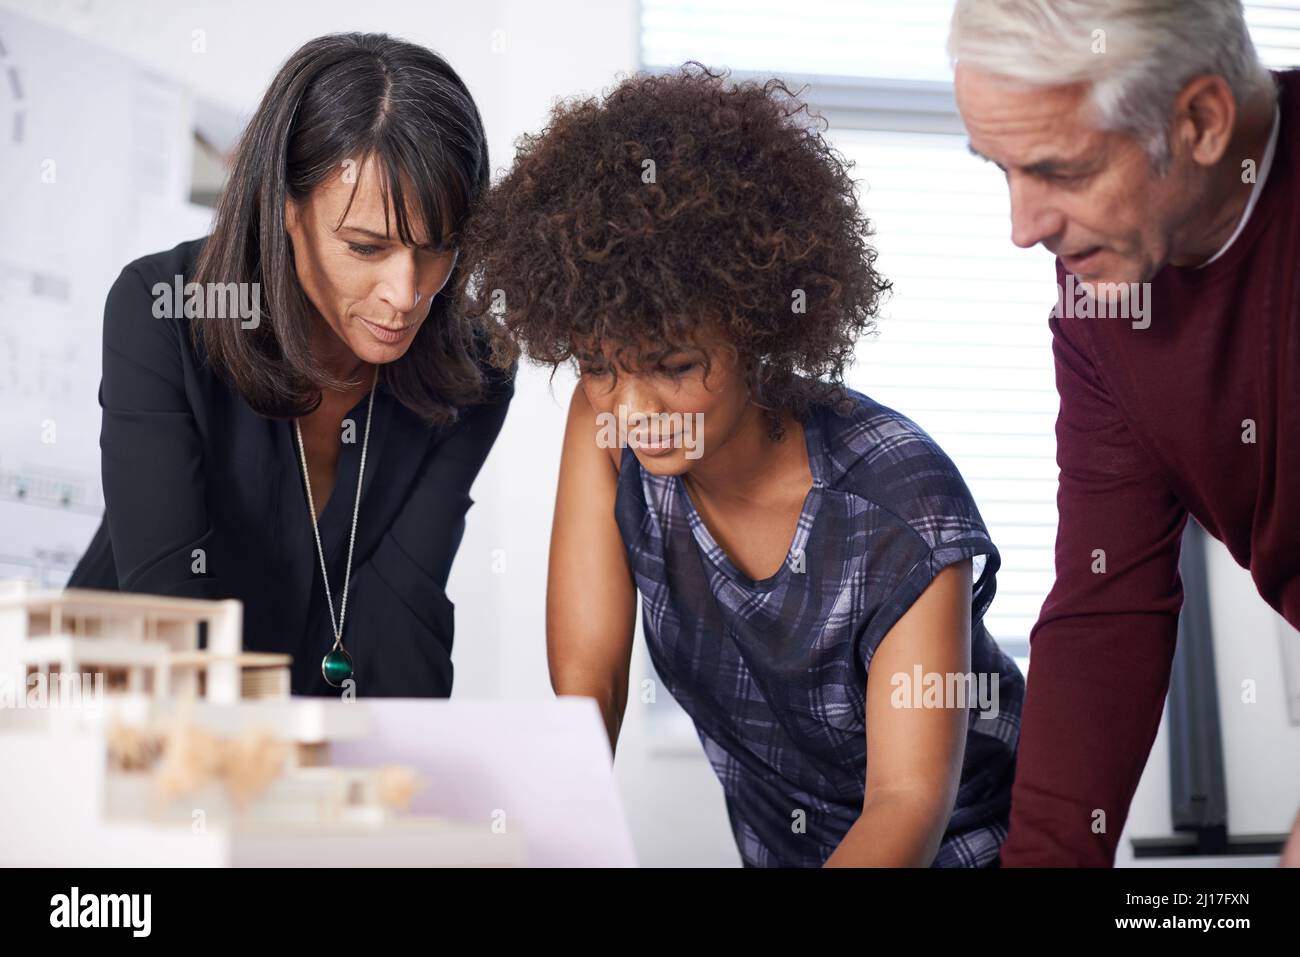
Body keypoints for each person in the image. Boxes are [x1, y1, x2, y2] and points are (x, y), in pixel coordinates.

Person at [458, 64, 1023, 866]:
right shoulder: (607, 425)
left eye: (675, 365)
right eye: (598, 363)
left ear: (759, 332)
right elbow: (588, 692)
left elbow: (907, 803)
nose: (633, 410)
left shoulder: (901, 503)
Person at [949, 0, 1299, 865]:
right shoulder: (1101, 305)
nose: (1022, 228)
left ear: (1202, 121)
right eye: (1001, 172)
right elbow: (1108, 610)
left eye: (1059, 171)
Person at [67, 33, 513, 698]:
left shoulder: (472, 372)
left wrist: (401, 789)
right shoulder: (163, 311)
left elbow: (401, 618)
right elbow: (172, 617)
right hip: (125, 718)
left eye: (439, 248)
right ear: (286, 208)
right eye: (366, 247)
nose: (407, 292)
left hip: (306, 747)